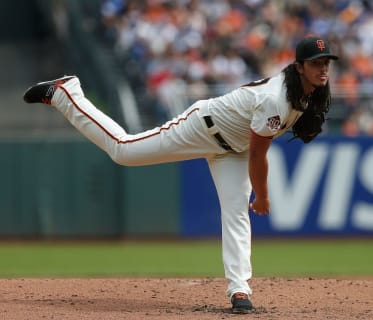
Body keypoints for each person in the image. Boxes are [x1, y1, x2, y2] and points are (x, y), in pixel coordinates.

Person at [23, 35, 338, 314]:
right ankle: (68, 94)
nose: (322, 69)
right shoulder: (276, 99)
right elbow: (258, 155)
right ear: (299, 67)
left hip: (234, 148)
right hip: (203, 127)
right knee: (124, 151)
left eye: (326, 63)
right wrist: (264, 195)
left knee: (235, 211)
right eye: (315, 63)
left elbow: (256, 145)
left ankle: (239, 289)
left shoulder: (308, 92)